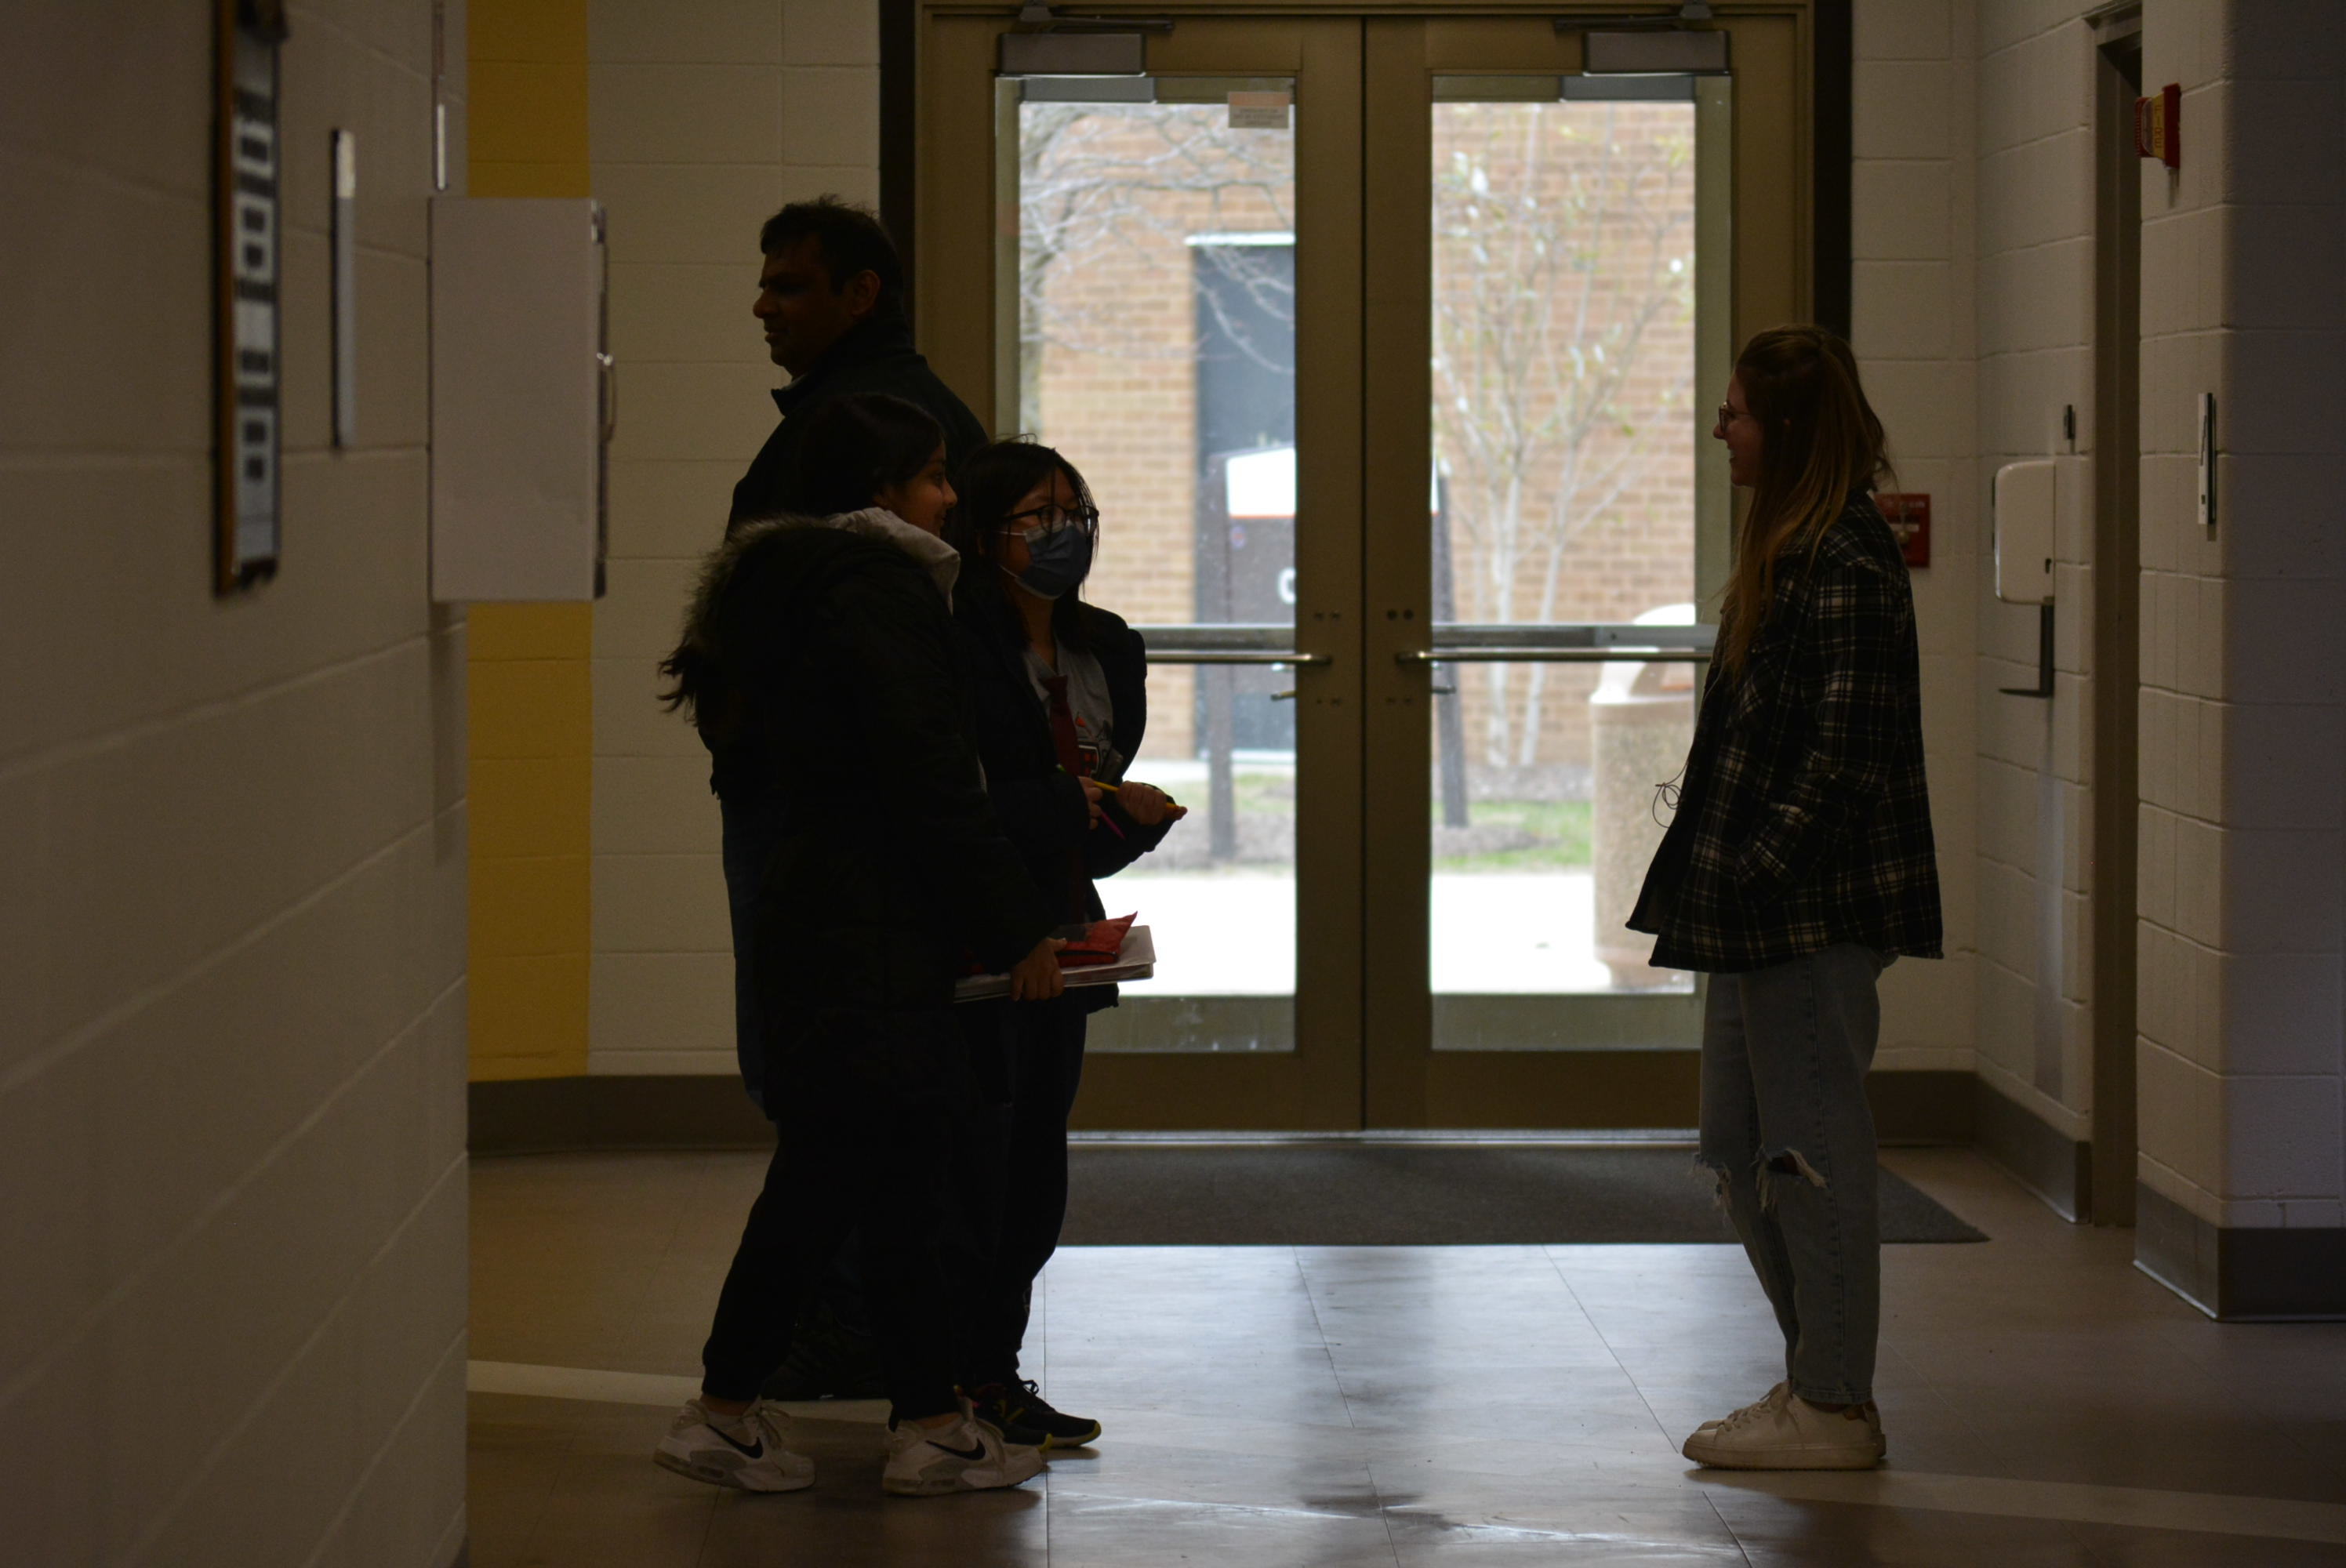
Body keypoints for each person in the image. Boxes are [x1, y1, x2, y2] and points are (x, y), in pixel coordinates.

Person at [652, 394, 1067, 1497]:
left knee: (880, 1185)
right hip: (869, 941)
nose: (949, 498)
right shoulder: (876, 595)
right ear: (879, 490)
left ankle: (921, 1419)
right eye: (933, 477)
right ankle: (732, 1412)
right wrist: (1015, 926)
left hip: (827, 929)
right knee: (838, 1186)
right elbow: (931, 780)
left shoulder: (786, 589)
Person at [1626, 325, 1941, 1472]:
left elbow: (1844, 761)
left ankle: (1835, 1405)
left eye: (1738, 413)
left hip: (1805, 914)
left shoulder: (1846, 561)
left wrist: (1753, 868)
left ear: (1791, 430)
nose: (1721, 430)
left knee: (1810, 1154)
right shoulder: (1791, 551)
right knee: (1739, 1149)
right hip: (1754, 914)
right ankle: (1818, 1379)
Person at [942, 440, 1186, 1450]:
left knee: (1037, 1168)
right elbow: (962, 804)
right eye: (1036, 517)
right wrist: (1062, 807)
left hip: (1061, 926)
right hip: (971, 929)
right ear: (984, 532)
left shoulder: (1108, 646)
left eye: (1075, 514)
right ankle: (948, 1381)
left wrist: (1128, 818)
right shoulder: (955, 639)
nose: (1062, 535)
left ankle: (992, 1371)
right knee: (977, 1167)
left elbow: (1074, 817)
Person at [729, 197, 987, 535]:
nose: (761, 307)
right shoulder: (936, 405)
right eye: (765, 288)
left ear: (862, 293)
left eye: (789, 288)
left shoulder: (852, 422)